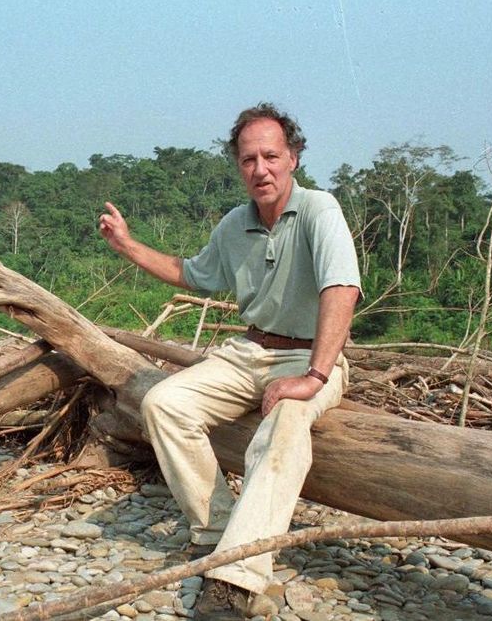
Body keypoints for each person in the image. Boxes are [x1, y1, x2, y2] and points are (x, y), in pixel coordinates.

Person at [98, 103, 361, 620]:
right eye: (248, 160)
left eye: (270, 156)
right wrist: (127, 245)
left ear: (293, 158)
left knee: (285, 424)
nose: (260, 169)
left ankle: (235, 580)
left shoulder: (318, 210)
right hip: (248, 352)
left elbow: (342, 287)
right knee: (164, 404)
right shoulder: (235, 225)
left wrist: (313, 376)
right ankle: (218, 532)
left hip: (308, 354)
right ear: (238, 166)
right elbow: (191, 273)